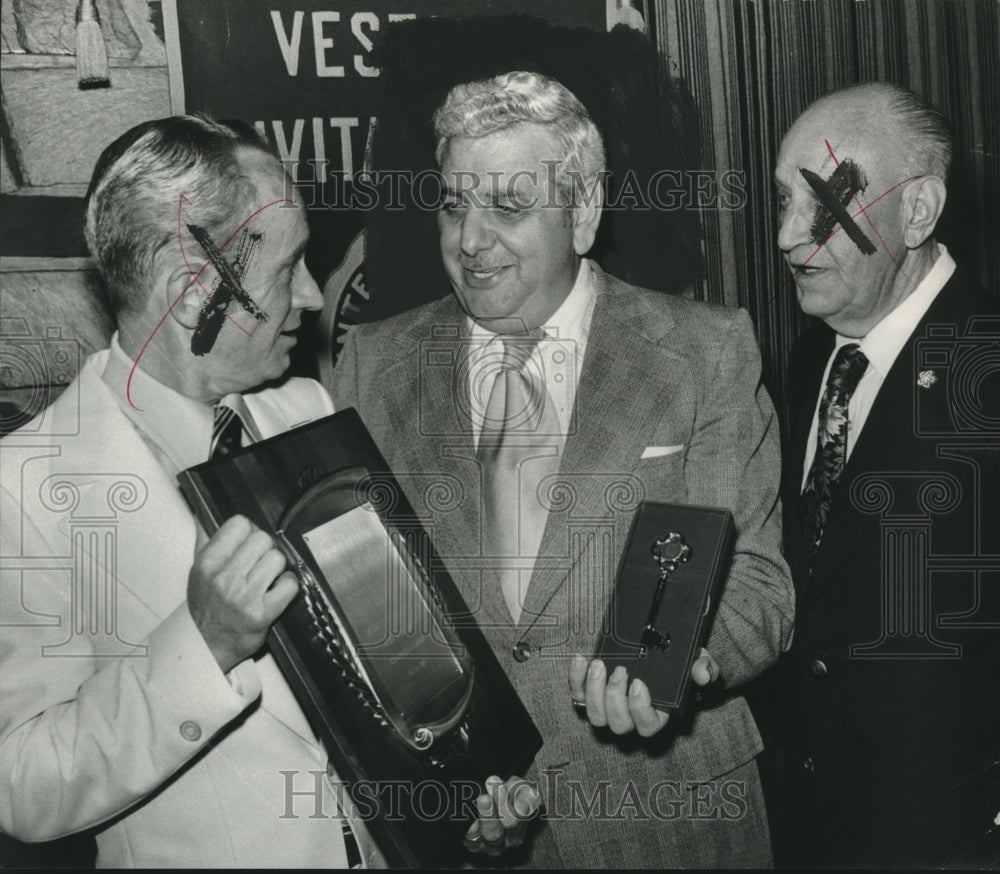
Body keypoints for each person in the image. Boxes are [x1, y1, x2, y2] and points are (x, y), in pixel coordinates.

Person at [329, 70, 794, 868]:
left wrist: (680, 660)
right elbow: (367, 608)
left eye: (507, 206)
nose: (470, 242)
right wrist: (440, 788)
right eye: (452, 204)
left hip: (668, 818)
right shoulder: (374, 367)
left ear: (583, 211)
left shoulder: (703, 352)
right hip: (475, 825)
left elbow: (757, 586)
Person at [0, 116, 386, 867]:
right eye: (291, 266)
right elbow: (22, 785)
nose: (312, 295)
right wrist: (203, 645)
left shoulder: (309, 413)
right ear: (189, 290)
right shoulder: (22, 486)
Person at [764, 82, 1000, 867]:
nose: (790, 237)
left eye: (826, 205)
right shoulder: (810, 362)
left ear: (920, 211)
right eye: (782, 203)